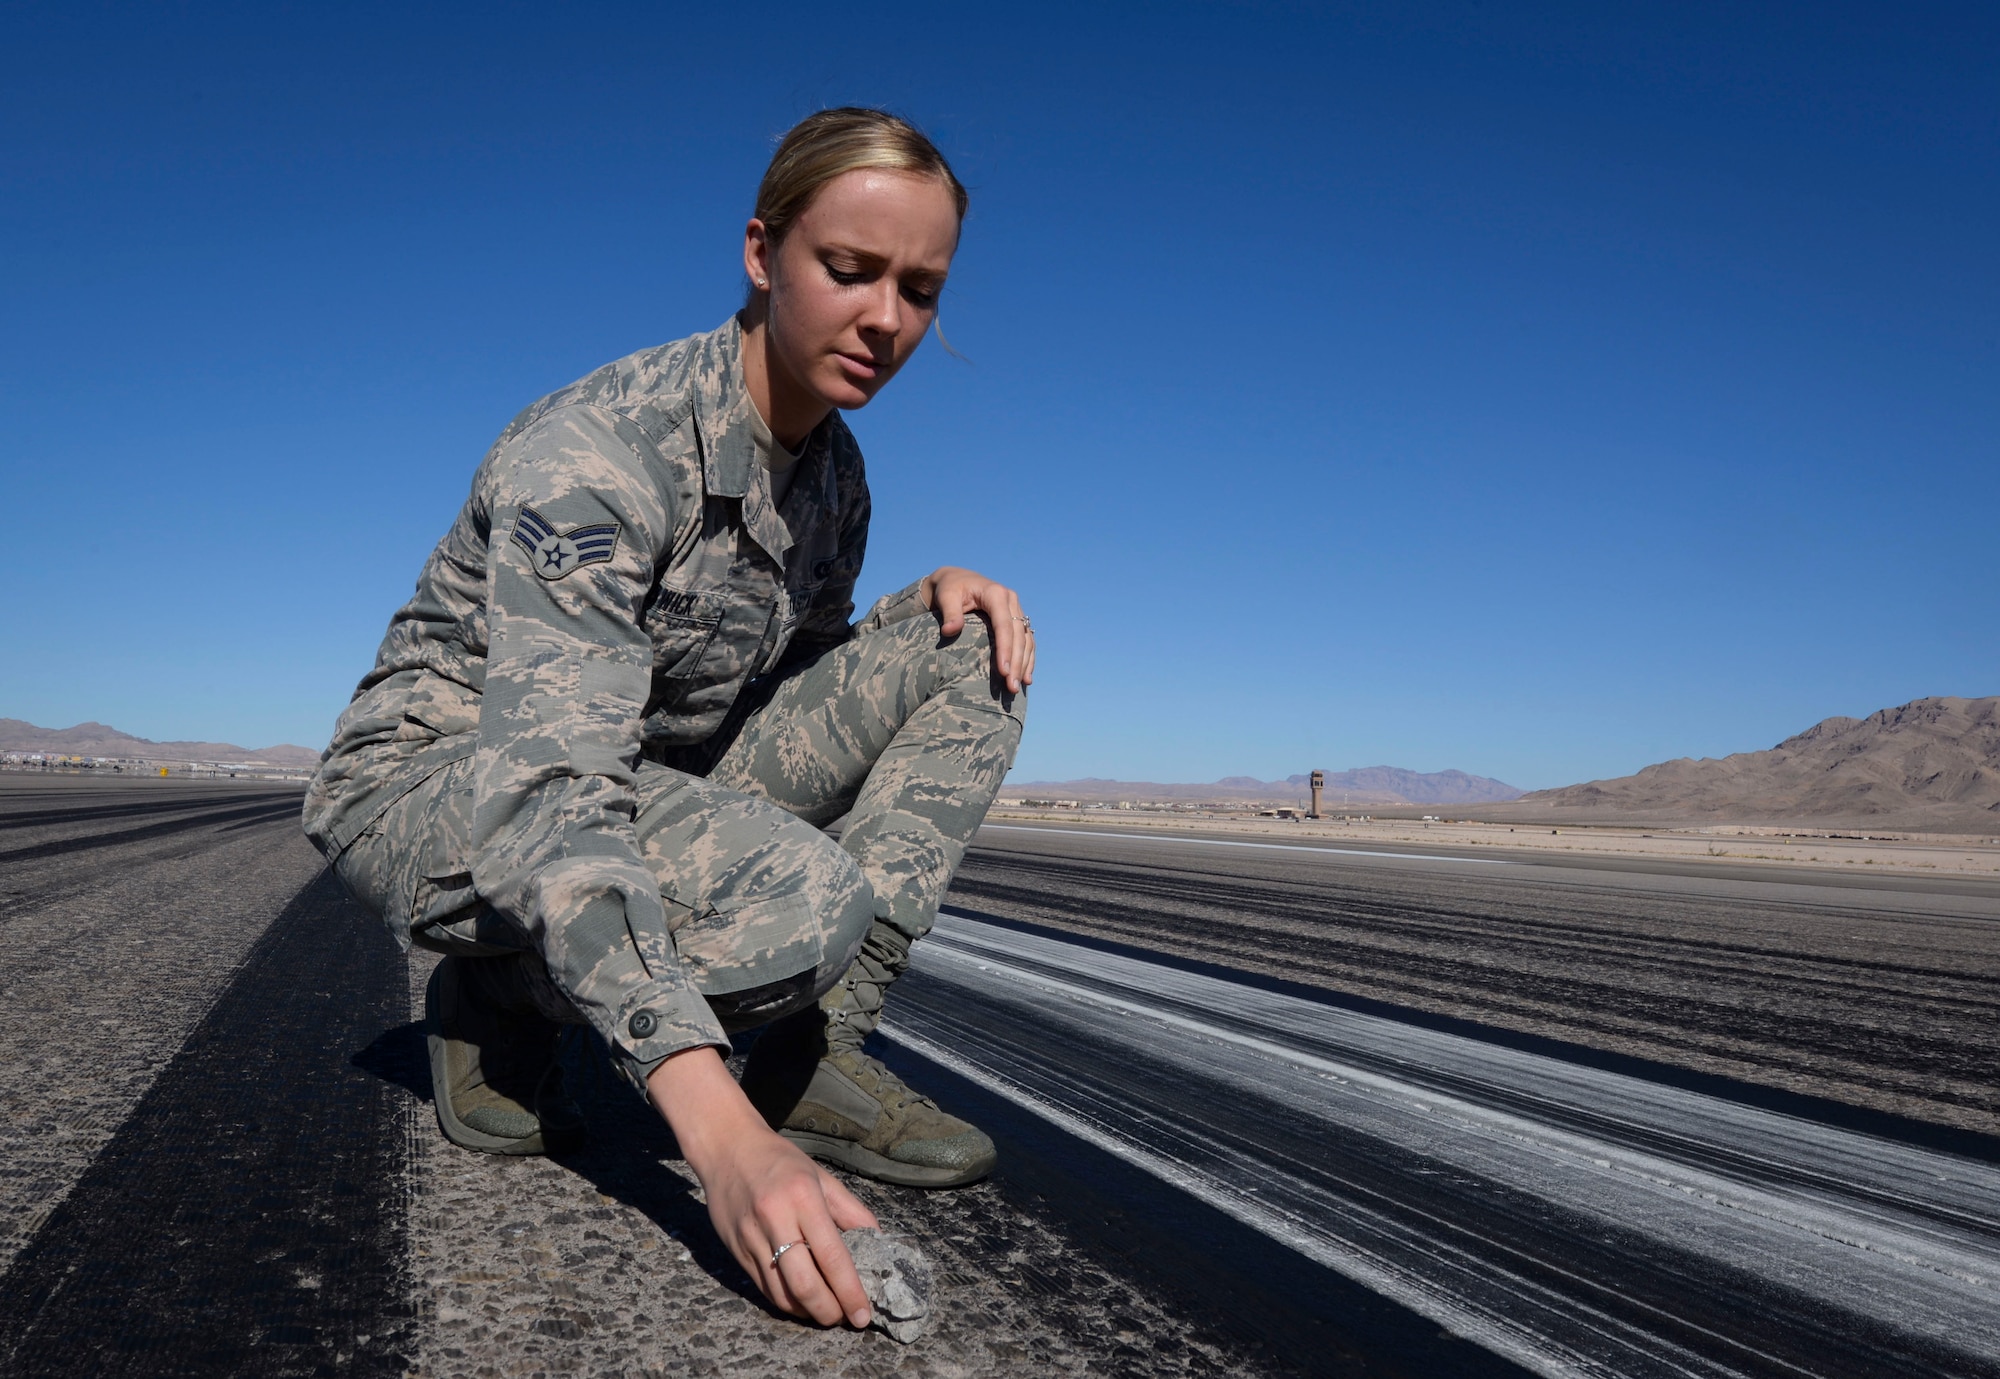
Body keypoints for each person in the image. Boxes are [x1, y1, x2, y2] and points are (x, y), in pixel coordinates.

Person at [303, 108, 1032, 1333]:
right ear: (761, 253)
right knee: (805, 897)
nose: (885, 321)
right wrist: (721, 1138)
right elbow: (551, 790)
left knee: (972, 648)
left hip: (642, 766)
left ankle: (810, 1049)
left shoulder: (836, 476)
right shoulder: (600, 452)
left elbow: (786, 686)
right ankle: (497, 997)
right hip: (448, 783)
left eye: (920, 289)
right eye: (847, 271)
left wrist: (915, 619)